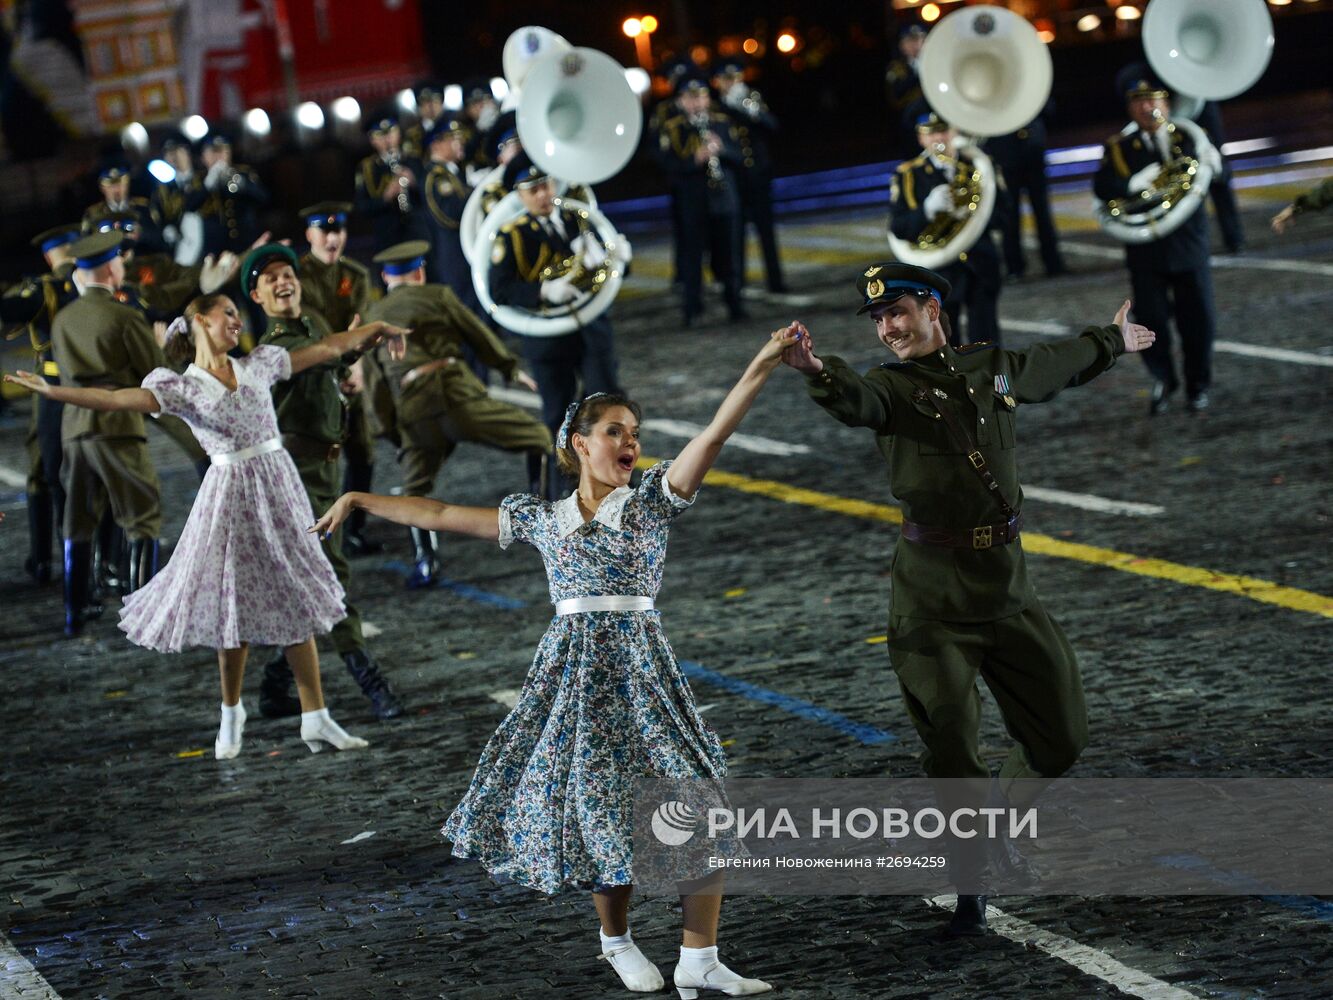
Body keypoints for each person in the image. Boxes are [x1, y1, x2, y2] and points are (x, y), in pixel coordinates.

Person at [310, 328, 801, 998]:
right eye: (614, 431)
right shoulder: (542, 519)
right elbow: (444, 511)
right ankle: (616, 942)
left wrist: (760, 364)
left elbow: (712, 435)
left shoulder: (653, 502)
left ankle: (700, 957)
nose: (629, 443)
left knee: (698, 801)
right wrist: (361, 499)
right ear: (578, 443)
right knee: (600, 811)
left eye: (634, 432)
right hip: (574, 673)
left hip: (643, 666)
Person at [781, 261, 1156, 936]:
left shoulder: (991, 368)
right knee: (951, 745)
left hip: (1007, 587)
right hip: (929, 602)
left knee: (1061, 736)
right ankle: (970, 885)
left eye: (896, 311)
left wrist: (1110, 340)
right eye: (877, 320)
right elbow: (856, 402)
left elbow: (1050, 365)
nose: (888, 328)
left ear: (931, 307)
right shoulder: (887, 389)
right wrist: (815, 370)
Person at [5, 294, 402, 758]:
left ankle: (316, 717)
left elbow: (331, 347)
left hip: (280, 490)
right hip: (230, 497)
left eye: (237, 314)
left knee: (296, 592)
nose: (237, 321)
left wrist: (377, 327)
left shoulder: (259, 364)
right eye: (227, 314)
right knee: (232, 603)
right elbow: (114, 399)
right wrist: (53, 392)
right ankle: (231, 711)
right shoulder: (180, 387)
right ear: (200, 321)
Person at [243, 243, 405, 721]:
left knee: (307, 585)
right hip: (296, 476)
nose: (281, 281)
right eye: (269, 278)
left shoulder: (310, 325)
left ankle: (274, 685)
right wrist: (353, 343)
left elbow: (328, 362)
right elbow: (316, 357)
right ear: (257, 296)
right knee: (331, 576)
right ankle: (369, 680)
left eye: (286, 272)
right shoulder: (273, 347)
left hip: (324, 470)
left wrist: (347, 363)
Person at [364, 240, 551, 587]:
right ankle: (544, 529)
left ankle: (426, 561)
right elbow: (476, 333)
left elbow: (374, 387)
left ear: (386, 279)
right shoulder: (439, 295)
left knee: (413, 489)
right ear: (420, 272)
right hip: (460, 396)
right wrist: (509, 368)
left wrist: (393, 430)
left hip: (415, 409)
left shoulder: (374, 317)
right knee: (540, 439)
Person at [46, 232, 165, 635]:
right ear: (113, 268)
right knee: (142, 518)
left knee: (76, 520)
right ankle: (142, 613)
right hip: (117, 426)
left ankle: (73, 612)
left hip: (76, 427)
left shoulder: (63, 319)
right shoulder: (124, 315)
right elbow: (153, 373)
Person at [488, 155, 626, 495]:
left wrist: (620, 258)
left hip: (591, 328)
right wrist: (542, 290)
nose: (542, 193)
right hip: (548, 337)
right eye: (532, 189)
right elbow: (498, 290)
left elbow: (602, 269)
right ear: (519, 195)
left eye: (546, 184)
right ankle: (561, 492)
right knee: (558, 418)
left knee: (606, 405)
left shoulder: (578, 218)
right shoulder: (512, 236)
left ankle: (615, 481)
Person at [1093, 68, 1221, 414]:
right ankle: (1163, 379)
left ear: (1167, 102)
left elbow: (1210, 180)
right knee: (1150, 322)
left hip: (1188, 244)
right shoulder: (1119, 147)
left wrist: (1215, 164)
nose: (1147, 106)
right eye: (1138, 101)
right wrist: (1132, 184)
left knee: (1199, 321)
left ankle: (1198, 385)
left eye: (1154, 99)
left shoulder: (1189, 137)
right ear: (1130, 108)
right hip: (1146, 251)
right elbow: (1102, 188)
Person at [296, 202, 379, 557]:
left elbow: (363, 323)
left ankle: (353, 530)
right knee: (316, 459)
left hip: (350, 374)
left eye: (339, 231)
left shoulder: (356, 275)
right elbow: (310, 326)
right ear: (310, 235)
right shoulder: (297, 276)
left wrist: (356, 365)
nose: (333, 238)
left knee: (363, 453)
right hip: (314, 379)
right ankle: (310, 529)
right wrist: (345, 358)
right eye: (325, 231)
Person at [1, 223, 81, 586]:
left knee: (48, 472)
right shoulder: (98, 284)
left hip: (52, 388)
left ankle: (51, 559)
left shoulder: (46, 288)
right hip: (98, 386)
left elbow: (11, 309)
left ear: (50, 256)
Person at [890, 109, 1003, 346]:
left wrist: (974, 211)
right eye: (930, 134)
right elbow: (899, 227)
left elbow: (1006, 214)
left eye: (943, 130)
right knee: (945, 347)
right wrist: (927, 210)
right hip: (939, 274)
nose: (938, 139)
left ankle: (998, 385)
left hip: (980, 265)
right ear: (920, 138)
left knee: (988, 347)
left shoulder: (980, 166)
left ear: (955, 131)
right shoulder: (908, 175)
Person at [654, 72, 747, 326]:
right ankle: (692, 309)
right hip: (693, 200)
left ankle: (735, 303)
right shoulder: (674, 128)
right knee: (692, 255)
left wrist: (722, 149)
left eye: (701, 97)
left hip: (724, 198)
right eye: (690, 98)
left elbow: (741, 156)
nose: (696, 102)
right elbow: (664, 163)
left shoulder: (722, 122)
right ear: (681, 101)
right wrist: (693, 160)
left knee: (729, 253)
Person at [713, 57, 788, 295]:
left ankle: (775, 280)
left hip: (758, 173)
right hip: (734, 176)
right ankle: (738, 283)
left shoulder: (750, 99)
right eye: (727, 79)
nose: (733, 83)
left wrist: (749, 108)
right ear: (718, 82)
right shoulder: (715, 108)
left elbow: (772, 126)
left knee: (766, 229)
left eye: (736, 78)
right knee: (735, 233)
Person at [984, 102, 1068, 280]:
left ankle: (1053, 262)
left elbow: (1049, 109)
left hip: (1032, 150)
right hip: (1005, 152)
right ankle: (1014, 266)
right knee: (1010, 214)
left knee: (1042, 212)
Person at [355, 116, 424, 252]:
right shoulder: (367, 168)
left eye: (391, 132)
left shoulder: (414, 160)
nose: (387, 139)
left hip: (417, 231)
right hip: (387, 237)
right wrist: (385, 198)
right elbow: (361, 207)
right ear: (372, 140)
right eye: (380, 135)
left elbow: (430, 198)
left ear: (399, 133)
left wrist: (415, 183)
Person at [196, 135, 269, 255]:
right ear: (203, 157)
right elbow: (189, 206)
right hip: (215, 246)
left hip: (246, 240)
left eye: (223, 151)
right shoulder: (198, 180)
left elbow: (263, 198)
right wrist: (206, 187)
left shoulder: (243, 173)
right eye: (214, 152)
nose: (219, 157)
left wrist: (244, 185)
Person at [885, 24, 927, 157]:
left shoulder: (937, 62)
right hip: (911, 122)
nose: (915, 45)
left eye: (919, 39)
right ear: (902, 45)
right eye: (910, 40)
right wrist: (918, 72)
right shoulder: (897, 67)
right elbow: (897, 92)